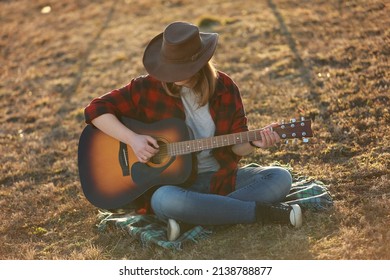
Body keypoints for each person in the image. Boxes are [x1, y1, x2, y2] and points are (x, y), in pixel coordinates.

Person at [84, 21, 302, 241]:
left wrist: (255, 142)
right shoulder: (147, 87)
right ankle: (259, 213)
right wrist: (133, 139)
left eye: (180, 67)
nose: (173, 74)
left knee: (279, 177)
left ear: (200, 61)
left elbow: (238, 147)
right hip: (174, 188)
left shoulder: (225, 88)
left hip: (219, 179)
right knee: (166, 199)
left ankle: (196, 216)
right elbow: (95, 111)